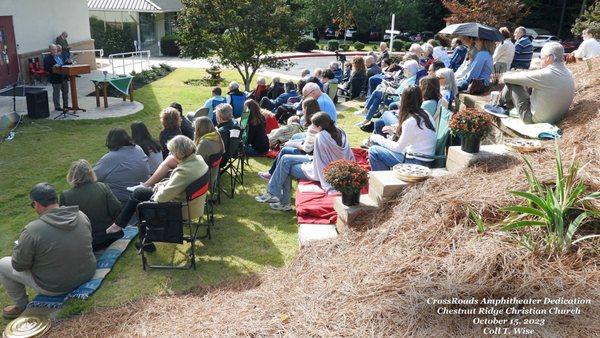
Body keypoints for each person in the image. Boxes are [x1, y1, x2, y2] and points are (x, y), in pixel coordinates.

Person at [0, 183, 96, 319]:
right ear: (55, 199)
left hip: (55, 287)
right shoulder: (80, 215)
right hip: (88, 273)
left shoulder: (32, 231)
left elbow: (19, 265)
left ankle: (20, 306)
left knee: (3, 263)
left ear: (36, 204)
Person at [106, 136, 209, 252]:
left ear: (179, 153)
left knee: (140, 202)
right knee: (139, 193)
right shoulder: (198, 159)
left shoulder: (184, 171)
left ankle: (143, 240)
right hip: (195, 204)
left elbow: (161, 198)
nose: (171, 155)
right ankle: (120, 226)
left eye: (172, 152)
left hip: (182, 209)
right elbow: (179, 183)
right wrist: (163, 185)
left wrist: (158, 188)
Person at [255, 112, 355, 211]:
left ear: (319, 127)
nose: (311, 126)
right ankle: (274, 194)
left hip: (321, 170)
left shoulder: (321, 137)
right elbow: (348, 154)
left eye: (313, 124)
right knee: (285, 158)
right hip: (330, 164)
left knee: (286, 165)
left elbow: (319, 162)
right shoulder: (341, 132)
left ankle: (281, 201)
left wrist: (326, 182)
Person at [498, 42, 574, 124]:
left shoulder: (546, 74)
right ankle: (507, 105)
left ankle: (498, 104)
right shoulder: (568, 72)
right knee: (526, 84)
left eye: (541, 57)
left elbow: (505, 78)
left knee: (512, 82)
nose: (540, 60)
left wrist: (507, 74)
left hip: (534, 120)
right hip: (556, 117)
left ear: (549, 58)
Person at [368, 86, 436, 171]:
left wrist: (378, 138)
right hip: (424, 159)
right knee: (380, 137)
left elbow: (398, 148)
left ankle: (384, 180)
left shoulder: (411, 121)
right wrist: (393, 131)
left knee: (374, 151)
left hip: (416, 162)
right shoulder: (425, 114)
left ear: (404, 100)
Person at [60, 160, 124, 251]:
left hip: (85, 243)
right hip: (110, 237)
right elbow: (117, 210)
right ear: (90, 173)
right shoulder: (102, 187)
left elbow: (64, 223)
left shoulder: (66, 196)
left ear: (71, 175)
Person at [259, 98, 321, 180]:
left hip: (311, 155)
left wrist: (293, 144)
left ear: (306, 109)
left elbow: (307, 149)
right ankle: (272, 173)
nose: (302, 111)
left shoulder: (313, 126)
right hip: (314, 151)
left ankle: (271, 174)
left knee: (285, 150)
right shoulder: (319, 119)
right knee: (292, 141)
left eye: (303, 108)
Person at [372, 76, 441, 135]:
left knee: (386, 114)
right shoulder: (430, 101)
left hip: (410, 128)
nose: (419, 87)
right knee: (379, 122)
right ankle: (373, 140)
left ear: (426, 88)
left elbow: (414, 119)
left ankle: (373, 140)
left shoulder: (428, 104)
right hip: (411, 127)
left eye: (420, 85)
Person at [94, 128, 149, 203]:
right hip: (143, 195)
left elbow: (92, 177)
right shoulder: (138, 149)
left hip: (122, 200)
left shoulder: (111, 157)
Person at [358, 60, 419, 125]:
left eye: (404, 69)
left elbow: (402, 94)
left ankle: (366, 111)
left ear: (409, 70)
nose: (403, 70)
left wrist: (390, 90)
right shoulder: (409, 78)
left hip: (396, 99)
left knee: (376, 93)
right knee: (377, 99)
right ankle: (367, 119)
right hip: (394, 96)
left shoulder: (411, 81)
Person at [193, 117, 225, 188]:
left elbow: (194, 162)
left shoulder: (204, 142)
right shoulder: (217, 135)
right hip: (214, 175)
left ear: (199, 129)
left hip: (204, 179)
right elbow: (223, 151)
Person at [43, 44, 69, 112]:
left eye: (56, 49)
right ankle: (57, 107)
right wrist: (53, 67)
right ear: (50, 50)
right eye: (53, 49)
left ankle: (66, 105)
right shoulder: (47, 58)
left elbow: (63, 64)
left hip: (63, 77)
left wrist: (69, 62)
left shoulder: (59, 56)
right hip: (55, 78)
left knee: (65, 92)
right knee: (56, 93)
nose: (55, 51)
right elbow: (46, 68)